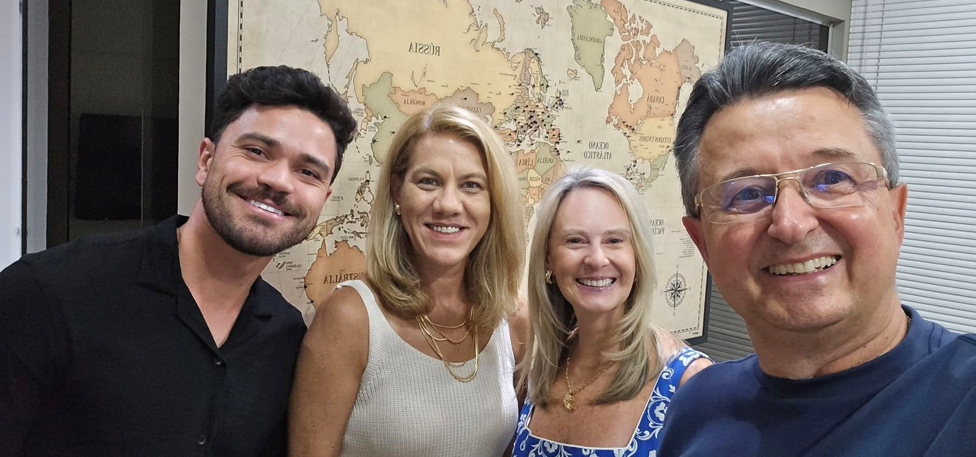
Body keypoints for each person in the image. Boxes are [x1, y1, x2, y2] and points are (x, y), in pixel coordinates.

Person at [658, 42, 976, 456]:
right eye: (746, 193)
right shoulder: (697, 406)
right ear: (702, 243)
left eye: (833, 178)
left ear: (896, 214)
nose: (791, 223)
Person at [0, 65, 357, 457]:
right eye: (257, 152)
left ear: (323, 200)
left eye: (308, 172)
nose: (279, 181)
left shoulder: (286, 338)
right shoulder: (47, 294)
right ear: (205, 160)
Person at [287, 104, 527, 457]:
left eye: (471, 185)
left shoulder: (514, 319)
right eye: (429, 181)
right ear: (398, 192)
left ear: (493, 203)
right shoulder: (350, 318)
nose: (448, 204)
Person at [511, 165, 711, 456]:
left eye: (614, 240)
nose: (596, 259)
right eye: (575, 240)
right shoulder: (542, 368)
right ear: (548, 259)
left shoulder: (688, 382)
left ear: (637, 255)